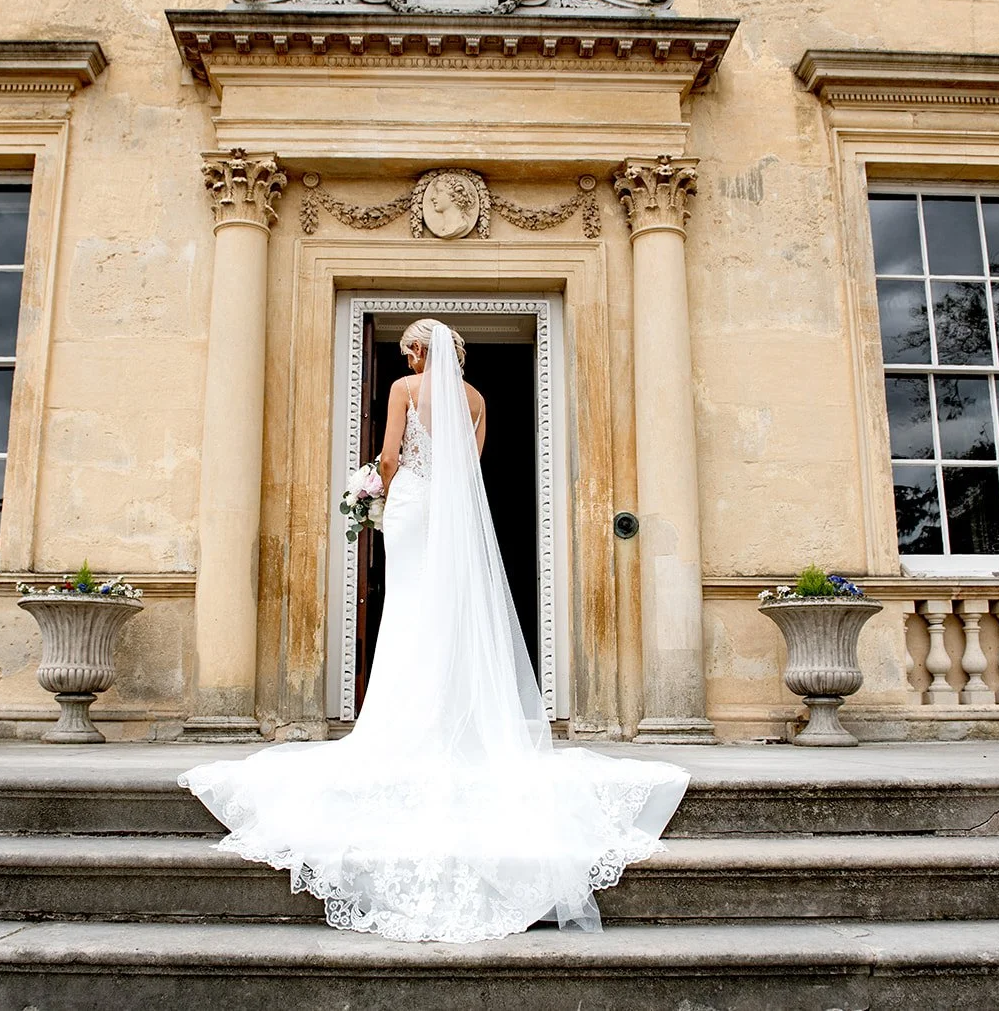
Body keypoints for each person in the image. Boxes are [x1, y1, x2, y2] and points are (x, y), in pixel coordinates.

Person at [180, 319, 688, 944]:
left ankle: (404, 721)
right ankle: (455, 721)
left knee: (408, 607)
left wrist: (374, 491)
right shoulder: (477, 401)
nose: (409, 358)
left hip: (415, 504)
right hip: (451, 511)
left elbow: (391, 454)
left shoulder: (401, 388)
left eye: (410, 351)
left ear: (420, 352)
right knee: (444, 609)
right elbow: (470, 469)